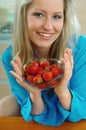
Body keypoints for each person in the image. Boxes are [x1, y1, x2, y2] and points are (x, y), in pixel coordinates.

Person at [0, 0, 86, 126]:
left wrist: (62, 91)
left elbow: (82, 111)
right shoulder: (11, 57)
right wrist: (34, 94)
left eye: (56, 16)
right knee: (5, 105)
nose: (48, 26)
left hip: (72, 111)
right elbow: (34, 113)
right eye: (39, 15)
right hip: (37, 110)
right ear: (23, 15)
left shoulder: (81, 48)